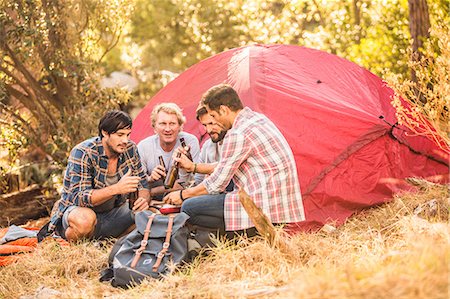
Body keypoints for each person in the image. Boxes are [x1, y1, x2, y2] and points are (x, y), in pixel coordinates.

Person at [163, 84, 305, 233]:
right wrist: (194, 167)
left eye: (213, 116)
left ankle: (244, 235)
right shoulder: (257, 119)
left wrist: (182, 195)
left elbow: (216, 184)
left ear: (224, 110)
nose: (214, 122)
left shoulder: (238, 133)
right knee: (225, 188)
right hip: (280, 205)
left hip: (262, 207)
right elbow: (227, 165)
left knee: (189, 207)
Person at [46, 110, 150, 242]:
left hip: (113, 214)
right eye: (120, 135)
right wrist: (117, 188)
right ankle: (77, 244)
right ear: (104, 133)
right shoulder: (83, 152)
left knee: (150, 216)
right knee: (85, 220)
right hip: (82, 215)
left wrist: (143, 200)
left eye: (128, 135)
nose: (125, 140)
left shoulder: (130, 149)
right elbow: (80, 198)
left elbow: (143, 185)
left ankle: (109, 242)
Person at [137, 103, 200, 199]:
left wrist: (153, 191)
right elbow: (138, 184)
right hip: (152, 200)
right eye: (162, 123)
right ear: (154, 127)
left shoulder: (189, 142)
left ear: (180, 126)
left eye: (172, 123)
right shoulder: (144, 146)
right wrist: (150, 178)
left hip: (184, 197)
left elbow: (194, 181)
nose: (167, 129)